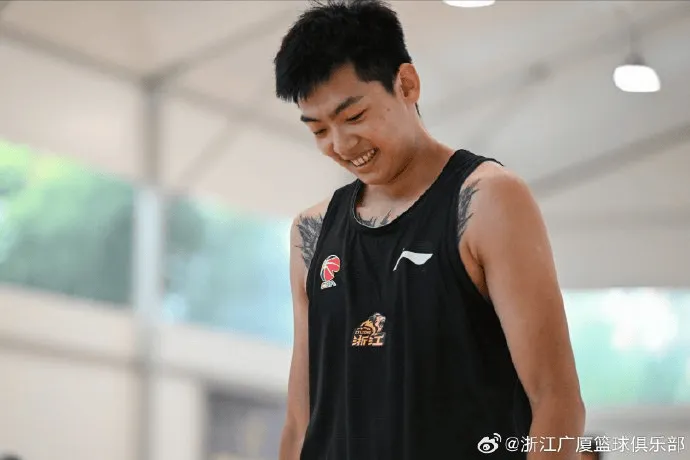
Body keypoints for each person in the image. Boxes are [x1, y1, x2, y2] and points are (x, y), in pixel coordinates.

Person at [273, 1, 585, 458]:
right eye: (319, 130)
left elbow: (557, 401)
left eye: (354, 117)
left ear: (406, 84)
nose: (340, 144)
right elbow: (301, 421)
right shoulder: (312, 232)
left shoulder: (488, 200)